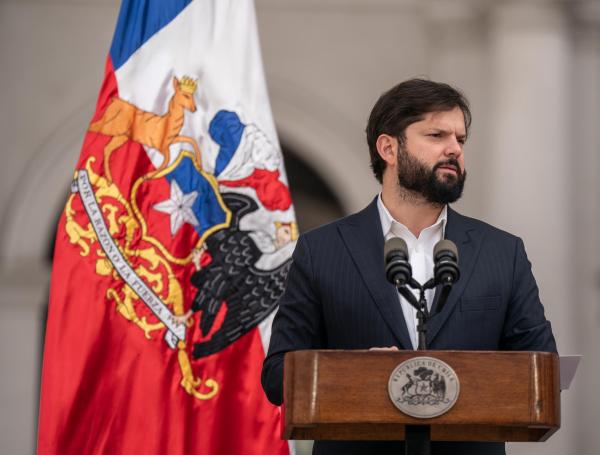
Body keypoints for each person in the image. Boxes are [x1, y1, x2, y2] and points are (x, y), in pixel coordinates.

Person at [261, 79, 557, 455]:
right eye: (436, 135)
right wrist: (357, 374)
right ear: (388, 148)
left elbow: (542, 369)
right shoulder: (322, 250)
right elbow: (276, 377)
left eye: (460, 140)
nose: (454, 149)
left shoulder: (501, 251)